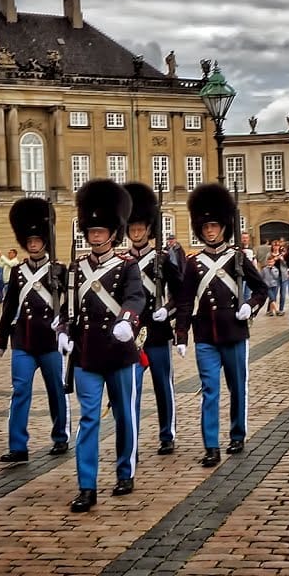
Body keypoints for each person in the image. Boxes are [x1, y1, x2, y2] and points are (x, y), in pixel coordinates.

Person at [64, 180, 145, 513]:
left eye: (101, 231)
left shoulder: (127, 267)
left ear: (113, 233)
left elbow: (135, 296)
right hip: (87, 354)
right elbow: (68, 307)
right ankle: (87, 485)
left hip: (119, 351)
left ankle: (125, 472)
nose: (96, 236)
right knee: (89, 419)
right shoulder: (76, 269)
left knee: (124, 416)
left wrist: (128, 319)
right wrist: (63, 331)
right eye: (92, 231)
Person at [175, 183, 267, 469]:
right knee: (209, 390)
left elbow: (261, 289)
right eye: (206, 227)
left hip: (235, 332)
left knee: (237, 387)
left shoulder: (238, 258)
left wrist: (249, 306)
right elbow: (185, 301)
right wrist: (180, 334)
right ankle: (211, 445)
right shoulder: (193, 264)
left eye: (214, 226)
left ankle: (237, 434)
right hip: (205, 335)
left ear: (223, 227)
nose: (210, 231)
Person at [0, 197, 71, 465]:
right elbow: (9, 307)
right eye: (30, 241)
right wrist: (2, 338)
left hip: (50, 340)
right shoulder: (17, 273)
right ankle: (18, 445)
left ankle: (60, 436)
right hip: (24, 340)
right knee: (20, 391)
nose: (34, 244)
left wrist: (64, 328)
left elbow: (69, 304)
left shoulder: (60, 270)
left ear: (44, 242)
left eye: (38, 240)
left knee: (55, 391)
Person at [123, 181, 185, 457]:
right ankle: (131, 436)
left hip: (158, 331)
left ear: (149, 230)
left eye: (140, 228)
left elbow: (181, 296)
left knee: (163, 385)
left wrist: (168, 311)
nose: (136, 233)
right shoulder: (122, 263)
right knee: (132, 388)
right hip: (133, 334)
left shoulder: (162, 259)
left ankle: (167, 433)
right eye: (132, 229)